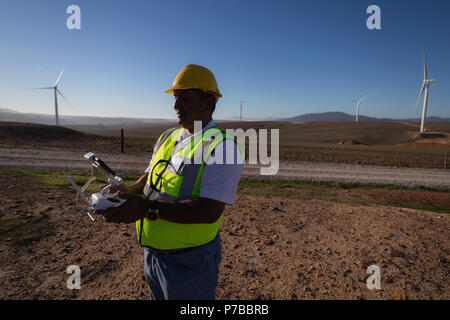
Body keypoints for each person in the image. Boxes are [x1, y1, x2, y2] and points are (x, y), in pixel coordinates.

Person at [95, 64, 244, 300]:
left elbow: (209, 211)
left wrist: (146, 208)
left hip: (190, 262)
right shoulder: (168, 136)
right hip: (152, 254)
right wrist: (125, 192)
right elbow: (149, 181)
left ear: (208, 103)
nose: (176, 106)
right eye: (175, 99)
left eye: (184, 99)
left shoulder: (222, 148)